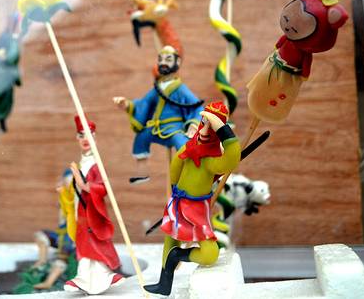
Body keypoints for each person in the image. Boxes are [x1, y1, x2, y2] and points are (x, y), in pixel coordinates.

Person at [144, 102, 240, 296]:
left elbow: (231, 157)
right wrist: (174, 189)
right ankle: (164, 283)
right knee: (171, 238)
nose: (204, 131)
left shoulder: (213, 160)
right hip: (178, 201)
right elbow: (176, 165)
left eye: (212, 127)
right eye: (203, 122)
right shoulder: (189, 148)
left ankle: (178, 256)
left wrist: (223, 130)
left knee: (210, 253)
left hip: (197, 209)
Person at [113, 45, 202, 184]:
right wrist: (127, 105)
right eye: (161, 59)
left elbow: (197, 106)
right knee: (141, 137)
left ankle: (190, 175)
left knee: (183, 145)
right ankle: (142, 173)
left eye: (168, 59)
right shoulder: (157, 88)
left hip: (174, 129)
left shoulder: (180, 89)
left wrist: (193, 125)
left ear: (177, 62)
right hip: (156, 128)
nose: (163, 62)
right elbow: (144, 102)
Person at [63, 115, 125, 294]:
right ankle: (93, 277)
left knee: (93, 241)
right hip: (81, 210)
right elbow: (76, 188)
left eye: (89, 135)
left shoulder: (96, 164)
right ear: (77, 139)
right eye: (81, 135)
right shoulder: (82, 162)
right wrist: (67, 190)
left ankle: (100, 276)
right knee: (84, 242)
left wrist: (85, 185)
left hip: (92, 210)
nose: (85, 139)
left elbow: (103, 188)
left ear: (95, 139)